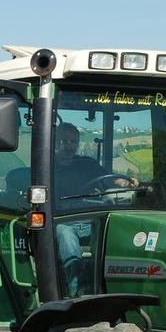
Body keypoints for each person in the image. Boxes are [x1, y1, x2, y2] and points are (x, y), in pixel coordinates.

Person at [53, 123, 137, 295]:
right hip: (63, 220)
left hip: (91, 218)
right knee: (66, 235)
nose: (69, 146)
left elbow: (108, 179)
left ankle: (109, 289)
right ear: (55, 142)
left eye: (73, 141)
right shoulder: (47, 166)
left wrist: (125, 182)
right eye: (64, 141)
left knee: (113, 230)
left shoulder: (86, 164)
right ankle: (76, 293)